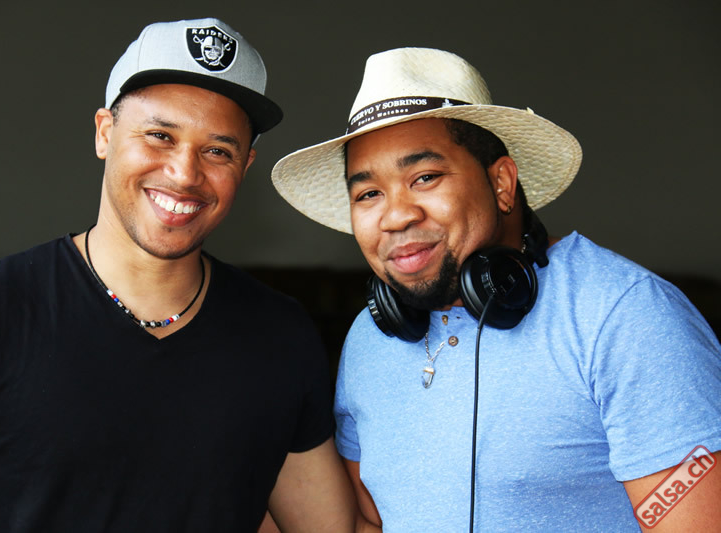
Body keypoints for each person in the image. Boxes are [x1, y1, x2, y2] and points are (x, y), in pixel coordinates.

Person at [0, 18, 362, 532]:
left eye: (217, 151)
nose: (184, 173)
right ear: (105, 133)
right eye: (159, 136)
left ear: (245, 166)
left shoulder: (279, 337)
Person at [271, 47, 721, 531]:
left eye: (425, 177)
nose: (396, 215)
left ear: (502, 183)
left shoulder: (625, 315)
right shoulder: (370, 336)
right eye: (369, 194)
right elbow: (371, 521)